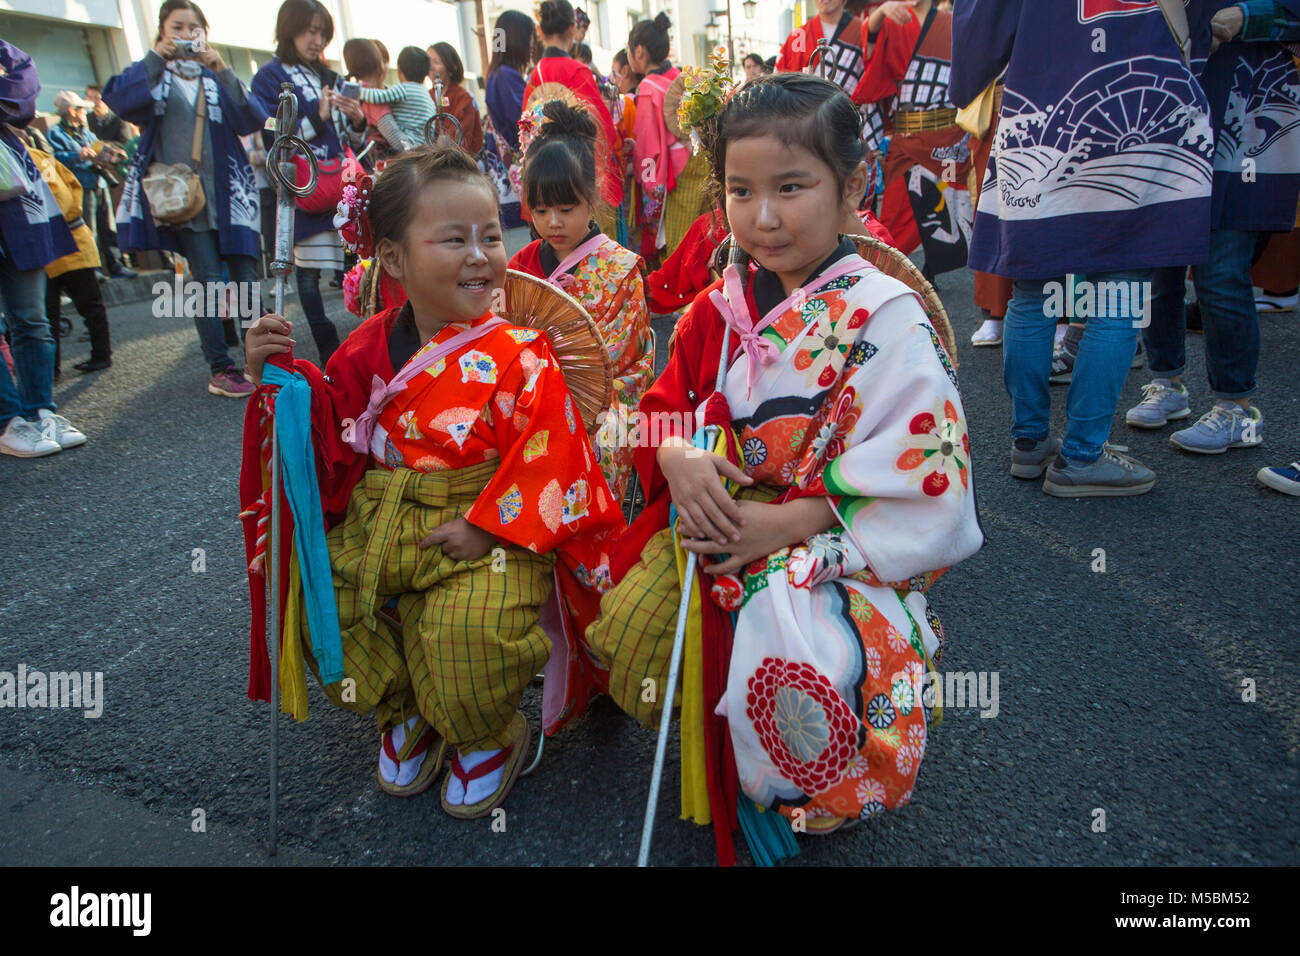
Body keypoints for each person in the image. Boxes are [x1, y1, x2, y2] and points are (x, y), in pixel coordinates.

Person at [585, 73, 982, 863]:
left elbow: (924, 470)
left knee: (812, 662)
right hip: (714, 521)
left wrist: (787, 522)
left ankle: (810, 778)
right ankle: (732, 749)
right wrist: (679, 453)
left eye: (791, 187)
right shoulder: (715, 310)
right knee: (628, 636)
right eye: (739, 190)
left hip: (831, 540)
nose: (762, 218)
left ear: (852, 186)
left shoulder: (886, 316)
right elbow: (646, 415)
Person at [239, 145, 623, 816]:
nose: (480, 254)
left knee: (464, 634)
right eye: (453, 239)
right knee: (326, 609)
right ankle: (403, 708)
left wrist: (484, 525)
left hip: (481, 529)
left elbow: (552, 451)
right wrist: (277, 381)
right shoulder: (368, 345)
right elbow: (329, 433)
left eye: (489, 235)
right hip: (380, 521)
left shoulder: (521, 353)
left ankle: (486, 734)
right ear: (392, 259)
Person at [952, 0, 1222, 496]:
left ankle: (1029, 443)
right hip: (1146, 105)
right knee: (1118, 292)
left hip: (1038, 104)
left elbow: (978, 27)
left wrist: (971, 82)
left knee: (1031, 290)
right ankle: (1081, 456)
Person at [1126, 1, 1300, 454]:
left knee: (1222, 272)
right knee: (1158, 266)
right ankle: (1167, 383)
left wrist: (1251, 13)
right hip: (1165, 109)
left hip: (1245, 108)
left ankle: (1237, 409)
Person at [104, 0, 265, 398]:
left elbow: (253, 117)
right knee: (208, 283)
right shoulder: (154, 78)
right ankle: (221, 368)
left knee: (247, 280)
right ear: (161, 32)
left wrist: (223, 69)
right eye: (177, 27)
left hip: (232, 198)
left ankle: (261, 363)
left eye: (195, 28)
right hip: (186, 201)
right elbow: (120, 100)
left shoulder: (215, 79)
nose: (186, 35)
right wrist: (154, 58)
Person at [508, 100, 654, 504]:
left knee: (592, 443)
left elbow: (623, 364)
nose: (553, 222)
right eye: (540, 209)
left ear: (592, 197)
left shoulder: (620, 270)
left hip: (600, 401)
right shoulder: (520, 265)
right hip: (529, 395)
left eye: (566, 208)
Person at [252, 0, 361, 367]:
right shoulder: (268, 76)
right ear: (290, 28)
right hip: (301, 185)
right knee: (308, 271)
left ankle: (366, 335)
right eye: (309, 31)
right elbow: (273, 135)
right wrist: (318, 114)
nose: (317, 40)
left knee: (356, 259)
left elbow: (349, 136)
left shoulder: (327, 75)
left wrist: (357, 119)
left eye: (322, 33)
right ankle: (325, 340)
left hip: (338, 181)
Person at [0, 39, 87, 458]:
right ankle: (9, 419)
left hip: (15, 203)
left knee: (31, 317)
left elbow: (23, 89)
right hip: (15, 196)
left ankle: (40, 410)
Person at [855, 0, 972, 280]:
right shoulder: (890, 20)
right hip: (907, 139)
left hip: (947, 138)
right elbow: (870, 59)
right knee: (895, 218)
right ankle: (888, 276)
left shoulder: (951, 22)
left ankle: (931, 267)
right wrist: (879, 15)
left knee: (952, 207)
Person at [524, 0, 623, 214]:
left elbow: (526, 133)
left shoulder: (534, 77)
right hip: (578, 176)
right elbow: (603, 130)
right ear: (572, 29)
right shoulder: (577, 71)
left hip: (546, 177)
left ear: (540, 30)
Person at [28, 144, 114, 374]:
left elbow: (60, 199)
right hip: (52, 246)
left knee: (86, 305)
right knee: (50, 314)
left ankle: (100, 355)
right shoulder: (35, 157)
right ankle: (52, 368)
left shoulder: (34, 159)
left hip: (67, 241)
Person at [628, 13, 704, 259]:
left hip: (675, 173)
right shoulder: (678, 77)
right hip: (699, 163)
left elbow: (650, 151)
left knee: (673, 244)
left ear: (639, 51)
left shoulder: (649, 88)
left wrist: (649, 190)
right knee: (699, 240)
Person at [484, 10, 535, 229]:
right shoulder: (506, 76)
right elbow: (524, 122)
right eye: (530, 37)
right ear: (518, 39)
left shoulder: (497, 73)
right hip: (518, 171)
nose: (533, 44)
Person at [84, 83, 138, 279]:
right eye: (90, 98)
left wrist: (103, 147)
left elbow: (124, 144)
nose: (94, 103)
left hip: (116, 175)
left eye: (97, 98)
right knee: (93, 226)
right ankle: (98, 268)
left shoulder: (119, 119)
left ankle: (119, 263)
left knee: (113, 224)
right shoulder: (87, 121)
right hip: (95, 175)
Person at [776, 0, 867, 102]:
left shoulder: (862, 31)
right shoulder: (798, 36)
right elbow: (780, 84)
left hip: (848, 111)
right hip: (805, 111)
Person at [342, 38, 412, 158]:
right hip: (380, 164)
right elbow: (398, 141)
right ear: (378, 63)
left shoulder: (352, 92)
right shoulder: (373, 98)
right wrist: (420, 150)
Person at [356, 46, 438, 148]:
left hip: (409, 142)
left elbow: (378, 97)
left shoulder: (403, 89)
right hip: (424, 144)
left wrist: (358, 90)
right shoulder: (425, 93)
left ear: (399, 69)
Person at [427, 43, 484, 156]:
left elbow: (460, 134)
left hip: (460, 161)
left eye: (436, 62)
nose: (431, 67)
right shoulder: (426, 95)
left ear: (452, 67)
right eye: (428, 62)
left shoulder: (465, 98)